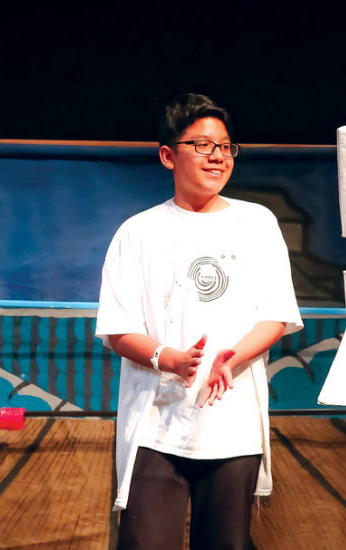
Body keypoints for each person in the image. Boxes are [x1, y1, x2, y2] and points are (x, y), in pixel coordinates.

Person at [96, 93, 302, 549]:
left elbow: (276, 315)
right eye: (203, 146)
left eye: (226, 147)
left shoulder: (258, 222)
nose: (217, 157)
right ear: (168, 155)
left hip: (232, 423)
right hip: (156, 421)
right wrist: (166, 358)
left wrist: (233, 356)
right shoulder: (138, 232)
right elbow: (116, 327)